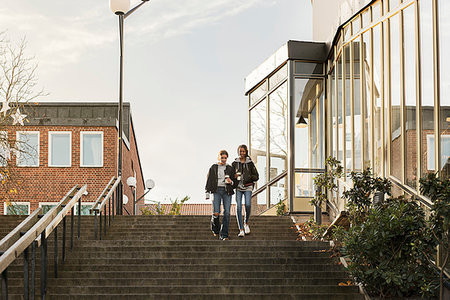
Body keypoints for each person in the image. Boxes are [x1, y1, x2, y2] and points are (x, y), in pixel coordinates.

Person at [205, 150, 235, 240]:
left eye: (225, 158)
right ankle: (215, 229)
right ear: (219, 157)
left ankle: (224, 235)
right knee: (216, 212)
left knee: (227, 213)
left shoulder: (230, 168)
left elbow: (235, 180)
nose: (224, 159)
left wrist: (231, 181)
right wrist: (207, 191)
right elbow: (209, 179)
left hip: (227, 191)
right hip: (216, 190)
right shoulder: (214, 167)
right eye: (222, 158)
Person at [231, 144, 259, 237]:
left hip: (248, 186)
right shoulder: (234, 163)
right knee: (238, 207)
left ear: (246, 152)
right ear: (238, 152)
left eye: (243, 151)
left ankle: (246, 223)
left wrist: (250, 177)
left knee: (248, 204)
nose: (242, 153)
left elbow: (256, 176)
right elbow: (230, 176)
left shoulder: (250, 163)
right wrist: (233, 176)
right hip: (238, 187)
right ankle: (241, 229)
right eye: (240, 151)